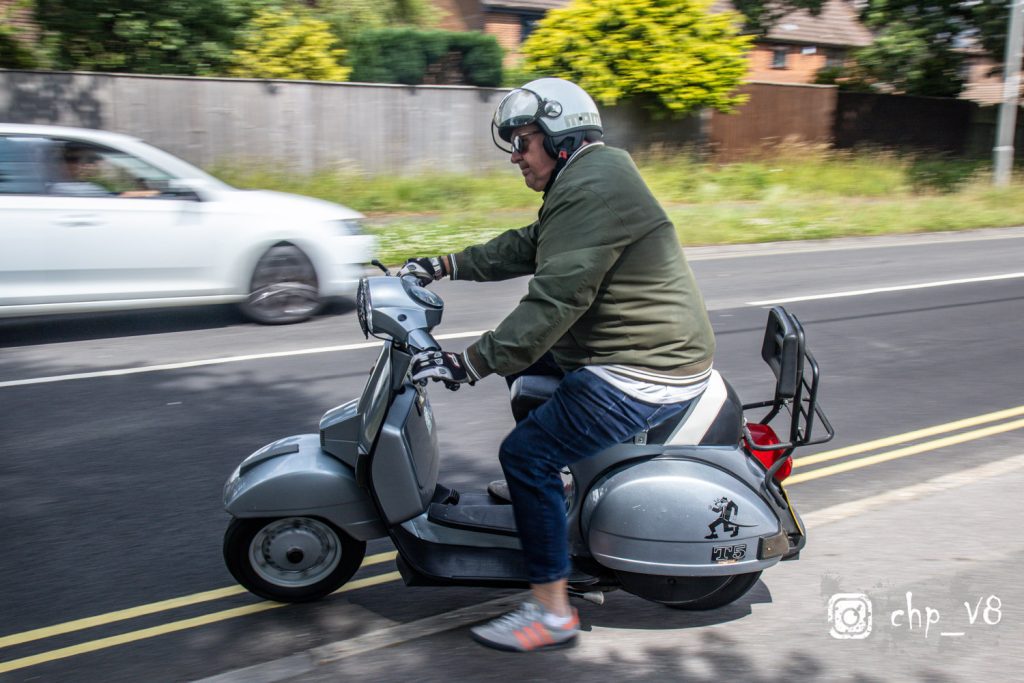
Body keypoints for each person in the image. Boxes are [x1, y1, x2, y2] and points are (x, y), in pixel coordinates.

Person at [399, 78, 716, 652]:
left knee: (525, 455)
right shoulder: (588, 177)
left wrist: (468, 363)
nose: (516, 157)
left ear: (559, 137)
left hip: (644, 367)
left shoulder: (590, 189)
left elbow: (555, 301)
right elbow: (531, 244)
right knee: (526, 372)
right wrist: (444, 263)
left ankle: (551, 613)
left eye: (523, 142)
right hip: (631, 348)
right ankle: (552, 486)